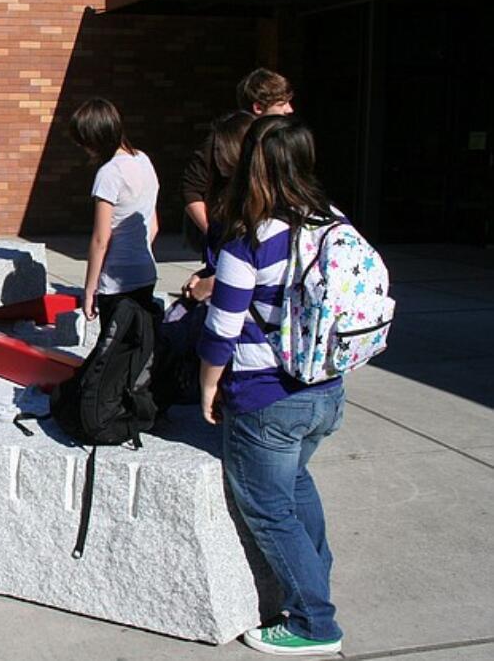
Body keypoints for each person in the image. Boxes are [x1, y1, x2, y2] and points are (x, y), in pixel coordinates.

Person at [198, 116, 345, 656]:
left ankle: (314, 620)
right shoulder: (330, 222)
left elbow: (222, 327)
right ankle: (316, 576)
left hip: (266, 398)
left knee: (267, 508)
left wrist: (208, 387)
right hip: (325, 390)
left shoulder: (248, 238)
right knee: (296, 483)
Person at [70, 98, 160, 327]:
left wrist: (90, 289)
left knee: (112, 350)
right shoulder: (144, 160)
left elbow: (101, 239)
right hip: (146, 270)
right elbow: (153, 225)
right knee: (137, 347)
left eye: (84, 143)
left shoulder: (108, 173)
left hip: (116, 278)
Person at [182, 68, 295, 245]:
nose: (290, 109)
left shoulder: (278, 141)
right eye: (282, 104)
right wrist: (215, 235)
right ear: (258, 108)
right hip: (232, 235)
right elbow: (191, 190)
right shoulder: (223, 141)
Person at [180, 110, 256, 304]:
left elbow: (259, 270)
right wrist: (202, 275)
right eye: (215, 151)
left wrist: (212, 283)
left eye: (221, 150)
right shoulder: (223, 198)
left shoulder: (259, 208)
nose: (216, 157)